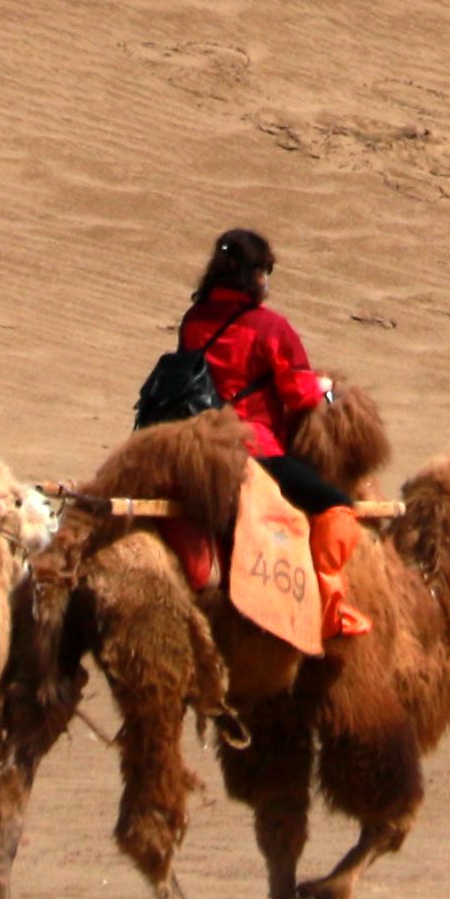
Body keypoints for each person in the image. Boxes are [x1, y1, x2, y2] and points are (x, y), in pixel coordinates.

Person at [171, 228, 365, 636]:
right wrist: (324, 391)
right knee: (336, 503)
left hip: (197, 445)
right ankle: (332, 612)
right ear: (254, 275)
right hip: (253, 449)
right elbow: (298, 395)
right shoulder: (270, 328)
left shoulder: (193, 321)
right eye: (266, 272)